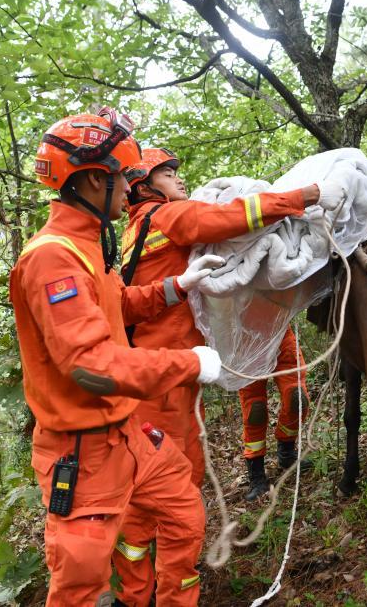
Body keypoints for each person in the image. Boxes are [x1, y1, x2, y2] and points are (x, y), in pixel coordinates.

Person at [10, 109, 226, 606]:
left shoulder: (87, 244)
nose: (130, 190)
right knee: (80, 583)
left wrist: (176, 287)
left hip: (128, 434)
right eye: (121, 179)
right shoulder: (51, 257)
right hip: (81, 452)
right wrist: (190, 363)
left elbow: (115, 305)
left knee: (184, 512)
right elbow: (92, 366)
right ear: (90, 180)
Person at [113, 147, 344, 604]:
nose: (179, 180)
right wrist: (305, 195)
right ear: (142, 184)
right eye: (169, 173)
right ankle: (166, 590)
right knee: (175, 486)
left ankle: (135, 591)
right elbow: (230, 218)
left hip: (157, 373)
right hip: (162, 378)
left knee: (149, 486)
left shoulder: (134, 228)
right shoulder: (165, 218)